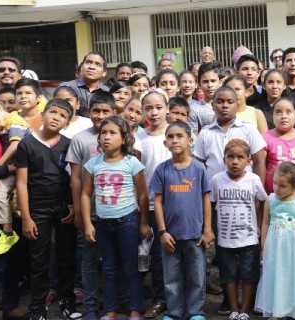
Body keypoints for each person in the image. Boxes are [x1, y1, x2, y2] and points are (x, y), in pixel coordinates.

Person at [16, 99, 82, 320]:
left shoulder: (68, 143)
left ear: (66, 122)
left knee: (66, 257)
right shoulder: (26, 144)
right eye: (53, 112)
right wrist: (26, 217)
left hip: (64, 208)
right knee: (38, 261)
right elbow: (22, 183)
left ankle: (67, 302)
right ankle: (37, 308)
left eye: (63, 116)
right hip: (37, 210)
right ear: (42, 115)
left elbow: (74, 179)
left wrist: (74, 206)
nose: (56, 117)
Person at [81, 116, 151, 320]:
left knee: (131, 268)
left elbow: (143, 195)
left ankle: (135, 309)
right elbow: (86, 194)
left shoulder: (132, 163)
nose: (107, 137)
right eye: (104, 133)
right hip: (103, 224)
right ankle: (110, 311)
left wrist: (144, 223)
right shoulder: (92, 164)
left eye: (113, 133)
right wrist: (87, 223)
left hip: (127, 222)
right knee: (109, 269)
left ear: (124, 139)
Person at [151, 121, 213, 320]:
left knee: (197, 276)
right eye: (170, 137)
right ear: (165, 143)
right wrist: (162, 231)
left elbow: (206, 199)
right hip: (170, 236)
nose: (174, 140)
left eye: (179, 136)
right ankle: (174, 312)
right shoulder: (162, 170)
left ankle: (195, 312)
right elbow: (158, 202)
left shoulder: (199, 169)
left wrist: (207, 230)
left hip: (195, 234)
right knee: (171, 277)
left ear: (190, 141)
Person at [66, 91, 115, 320]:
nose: (101, 115)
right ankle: (91, 306)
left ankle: (115, 303)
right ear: (89, 111)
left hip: (116, 211)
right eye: (96, 111)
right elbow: (75, 178)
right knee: (88, 260)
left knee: (115, 260)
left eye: (106, 111)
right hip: (90, 213)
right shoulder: (80, 139)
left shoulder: (119, 136)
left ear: (114, 112)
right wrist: (77, 209)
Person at [210, 139, 267, 320]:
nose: (235, 161)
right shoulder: (217, 180)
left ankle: (244, 310)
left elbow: (263, 201)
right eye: (231, 157)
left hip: (249, 238)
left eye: (240, 157)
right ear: (224, 159)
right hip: (224, 238)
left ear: (248, 161)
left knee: (249, 275)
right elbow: (211, 206)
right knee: (228, 275)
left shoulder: (253, 179)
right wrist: (211, 229)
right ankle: (234, 309)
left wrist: (259, 225)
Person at [255, 161, 295, 319]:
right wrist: (264, 247)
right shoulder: (271, 199)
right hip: (275, 244)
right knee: (276, 273)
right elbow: (266, 223)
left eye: (282, 185)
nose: (276, 188)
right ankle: (276, 308)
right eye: (274, 183)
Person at [137, 88, 172, 319]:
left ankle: (173, 297)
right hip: (148, 205)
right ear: (142, 111)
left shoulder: (176, 133)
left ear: (167, 108)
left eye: (159, 107)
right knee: (151, 256)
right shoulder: (139, 137)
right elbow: (137, 177)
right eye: (148, 108)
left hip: (176, 204)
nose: (154, 112)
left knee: (172, 254)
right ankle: (155, 298)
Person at [194, 86, 266, 182]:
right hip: (214, 191)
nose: (225, 105)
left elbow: (259, 162)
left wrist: (259, 191)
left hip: (245, 191)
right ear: (212, 105)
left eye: (230, 102)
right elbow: (199, 166)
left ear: (237, 104)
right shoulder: (205, 133)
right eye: (219, 102)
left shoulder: (249, 129)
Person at [0, 99, 29, 255]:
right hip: (16, 168)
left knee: (0, 194)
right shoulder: (3, 125)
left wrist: (0, 164)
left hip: (24, 169)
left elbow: (15, 145)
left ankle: (8, 233)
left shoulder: (14, 120)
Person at [61, 52, 109, 117]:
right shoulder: (66, 88)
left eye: (97, 64)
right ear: (82, 66)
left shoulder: (108, 92)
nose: (91, 67)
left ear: (104, 72)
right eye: (88, 62)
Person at [189, 63, 220, 136]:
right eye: (205, 82)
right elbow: (194, 137)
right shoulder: (194, 109)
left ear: (220, 82)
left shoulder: (229, 105)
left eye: (213, 81)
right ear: (199, 84)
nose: (210, 85)